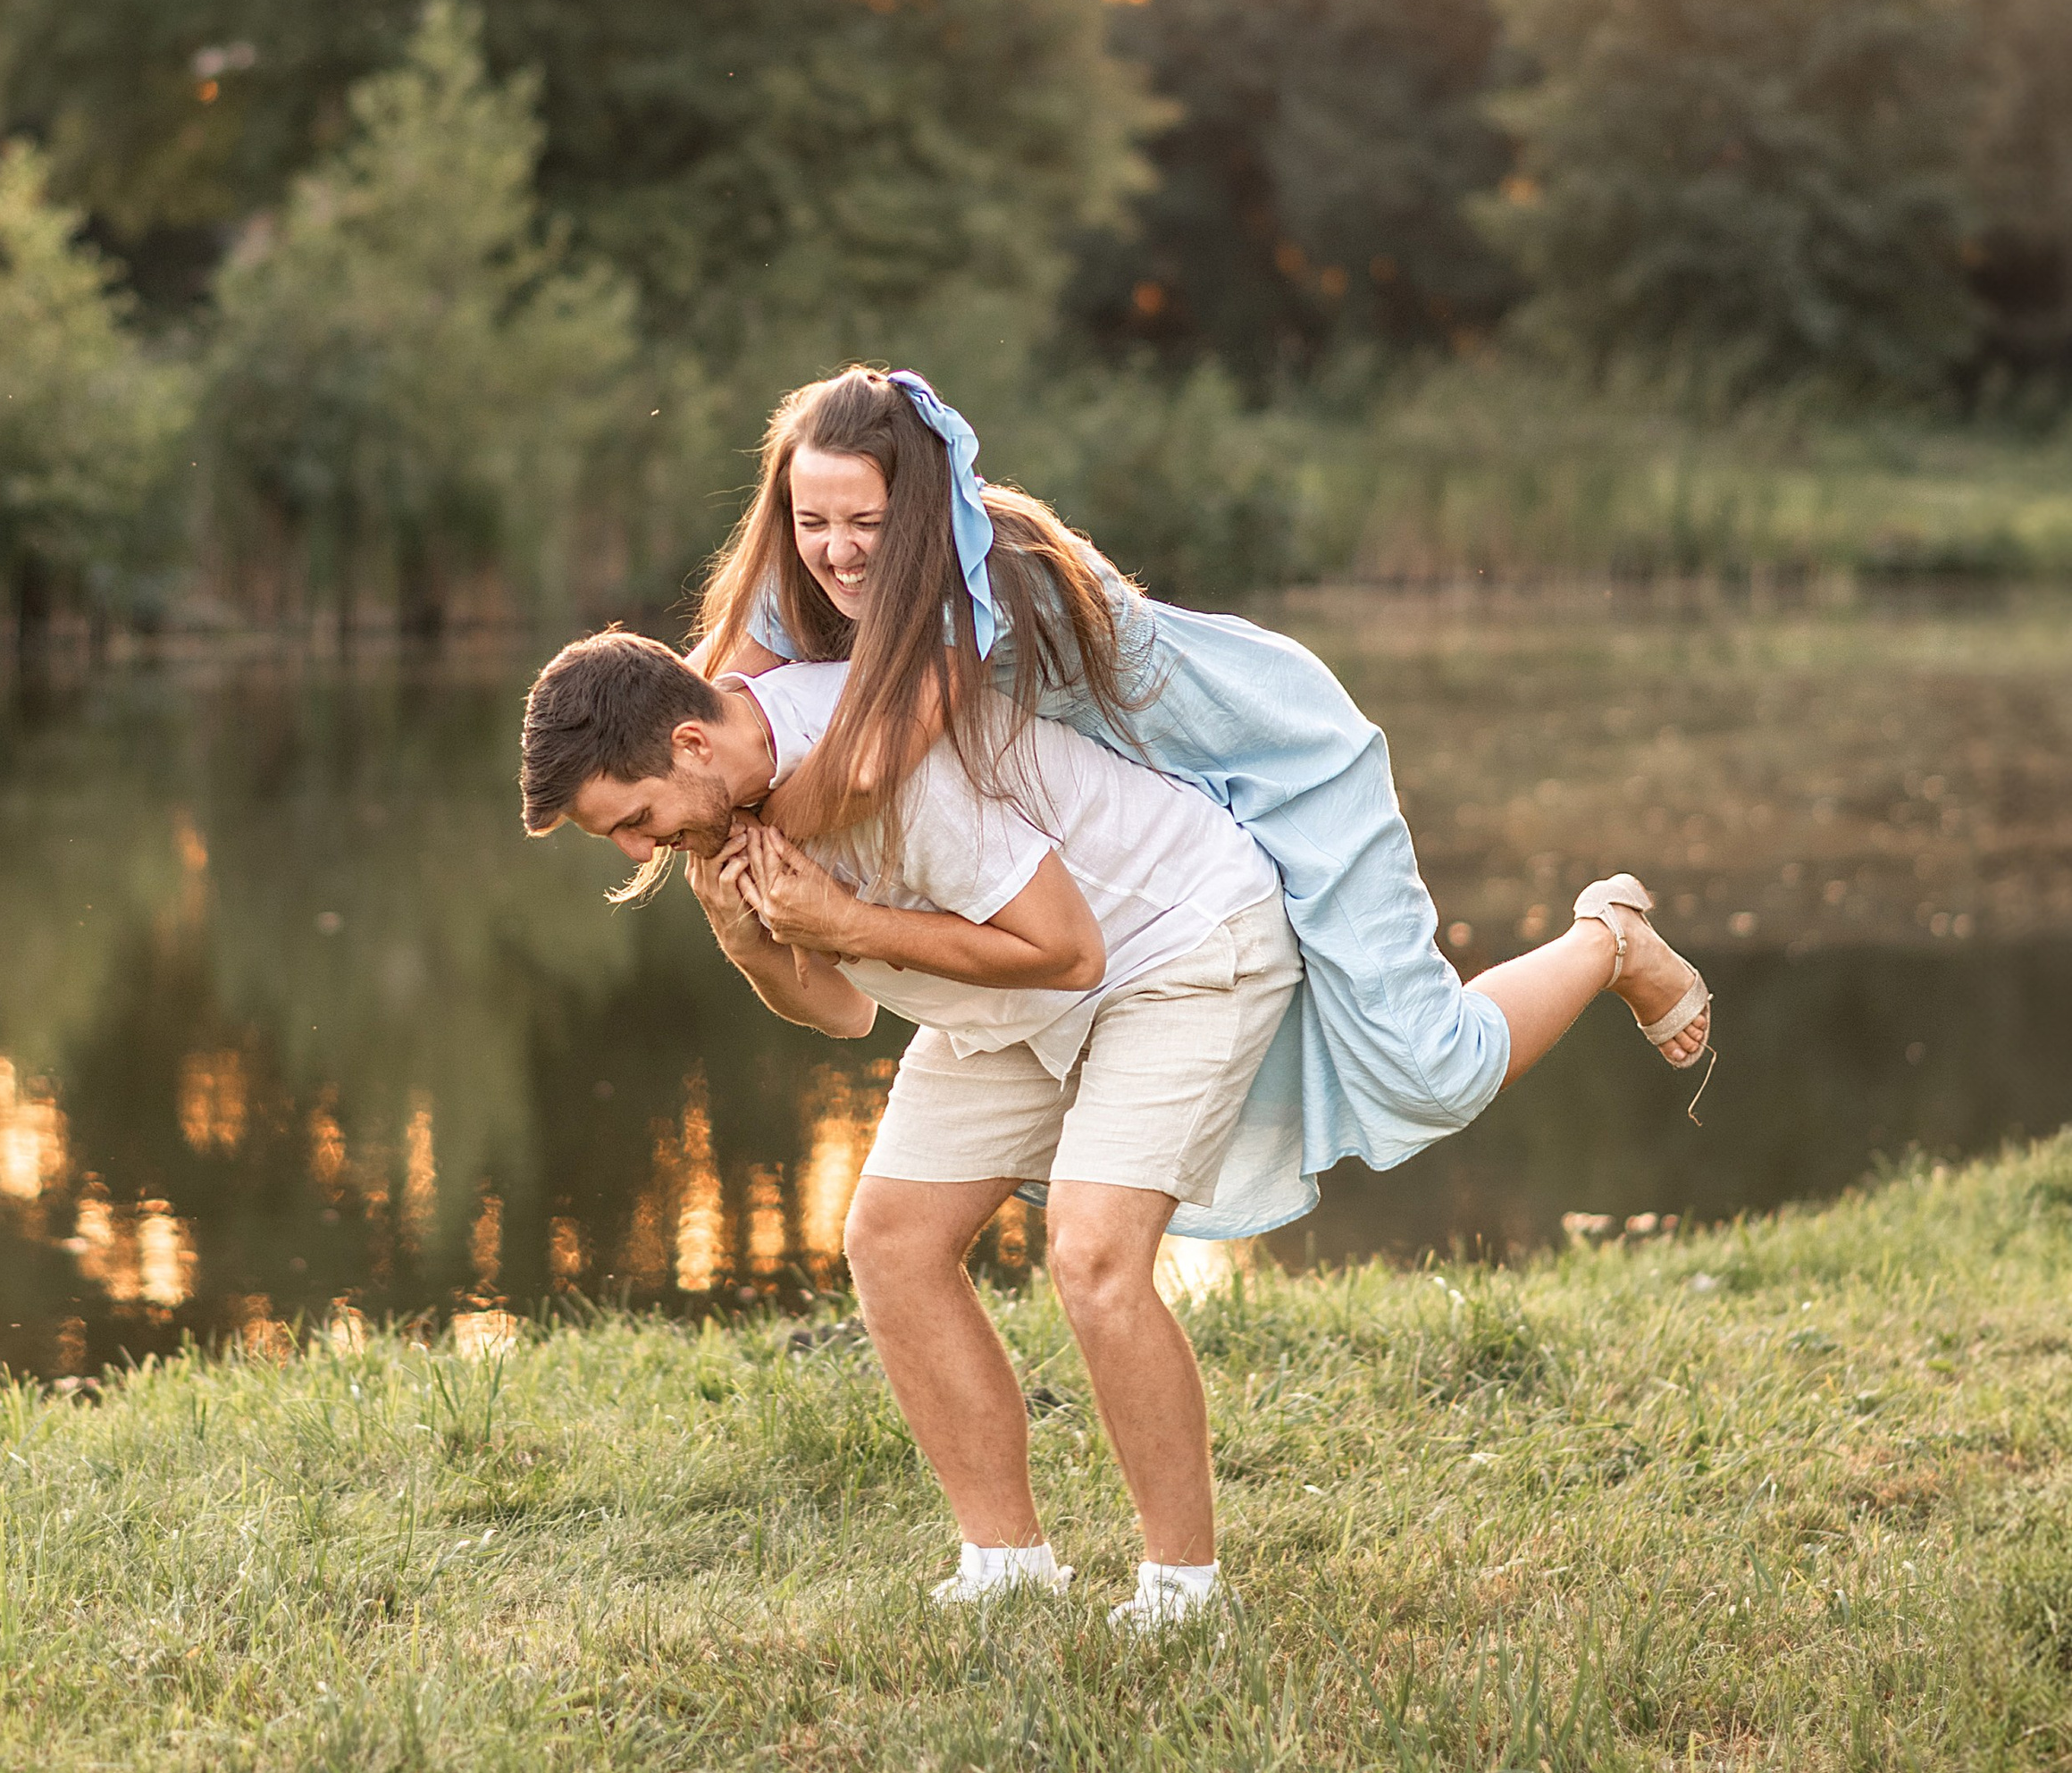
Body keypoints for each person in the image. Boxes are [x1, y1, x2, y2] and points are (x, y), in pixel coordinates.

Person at [690, 366, 1713, 1256]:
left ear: (916, 511)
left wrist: (734, 823)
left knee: (1428, 1071)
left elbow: (862, 772)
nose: (836, 552)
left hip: (1274, 761)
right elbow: (687, 731)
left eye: (866, 523)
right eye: (811, 520)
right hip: (1159, 833)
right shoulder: (805, 575)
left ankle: (1606, 939)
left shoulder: (986, 579)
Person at [518, 626, 1304, 1628]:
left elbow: (1065, 949)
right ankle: (1005, 1562)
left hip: (1174, 945)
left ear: (689, 743)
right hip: (1011, 996)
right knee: (890, 1240)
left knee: (1094, 1252)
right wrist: (743, 937)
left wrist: (847, 924)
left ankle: (1183, 1591)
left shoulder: (884, 760)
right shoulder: (718, 810)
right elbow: (842, 1011)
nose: (637, 850)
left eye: (634, 820)